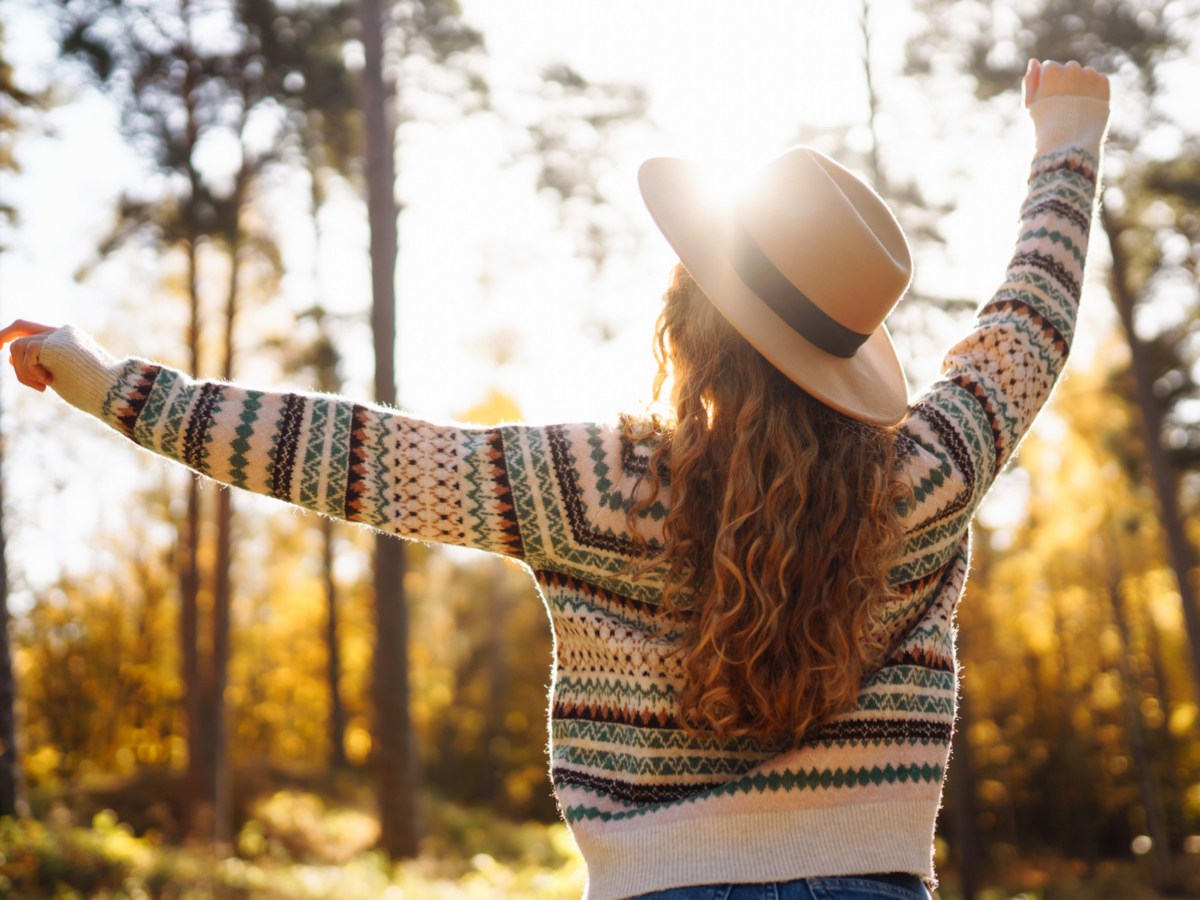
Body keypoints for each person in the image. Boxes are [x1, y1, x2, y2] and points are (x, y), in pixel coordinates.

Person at [1, 58, 1109, 900]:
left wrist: (110, 384)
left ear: (686, 318)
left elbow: (347, 454)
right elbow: (1027, 328)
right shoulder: (924, 478)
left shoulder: (587, 485)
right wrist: (1069, 138)